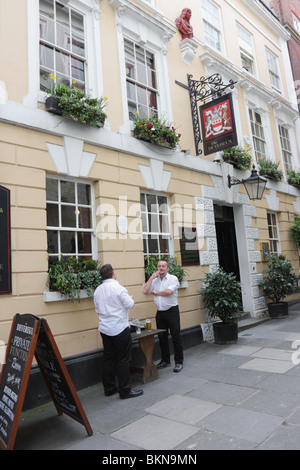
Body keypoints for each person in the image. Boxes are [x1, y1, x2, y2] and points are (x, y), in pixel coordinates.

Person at [94, 264, 144, 399]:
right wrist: (131, 298)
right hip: (119, 328)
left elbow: (97, 310)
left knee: (108, 358)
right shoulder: (119, 288)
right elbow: (130, 304)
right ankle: (125, 390)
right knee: (123, 359)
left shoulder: (97, 290)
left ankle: (109, 388)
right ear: (113, 273)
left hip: (105, 328)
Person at [143, 259, 184, 373]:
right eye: (159, 266)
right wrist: (151, 278)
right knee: (162, 338)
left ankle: (179, 362)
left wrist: (156, 293)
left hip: (172, 311)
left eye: (163, 266)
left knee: (176, 337)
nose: (160, 268)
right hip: (160, 312)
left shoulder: (173, 279)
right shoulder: (155, 281)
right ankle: (165, 360)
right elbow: (145, 291)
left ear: (167, 268)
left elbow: (169, 292)